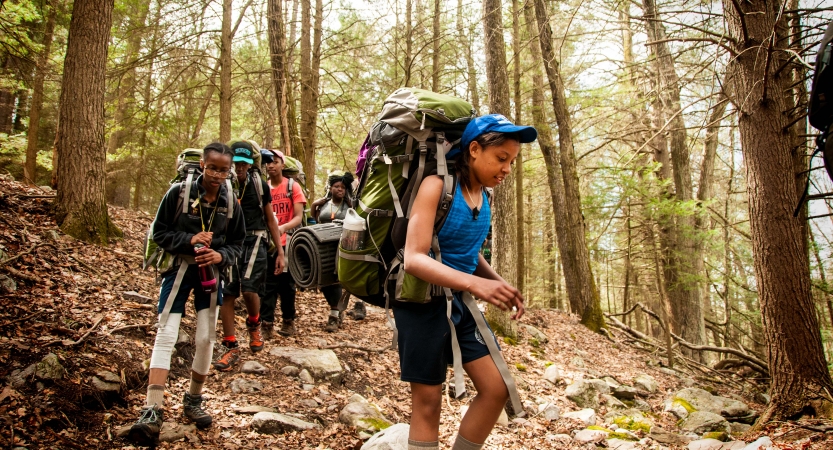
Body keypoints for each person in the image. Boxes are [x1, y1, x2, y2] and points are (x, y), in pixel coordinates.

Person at [395, 114, 536, 450]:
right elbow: (414, 258)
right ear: (474, 149)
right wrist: (476, 285)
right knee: (429, 402)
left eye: (511, 162)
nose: (506, 169)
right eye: (501, 159)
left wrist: (497, 282)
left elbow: (467, 250)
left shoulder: (482, 196)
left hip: (459, 302)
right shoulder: (437, 186)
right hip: (422, 303)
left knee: (496, 388)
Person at [129, 142, 245, 445]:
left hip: (211, 275)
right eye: (213, 167)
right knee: (166, 332)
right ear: (202, 166)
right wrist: (189, 239)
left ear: (229, 171)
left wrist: (221, 256)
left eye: (224, 169)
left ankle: (193, 400)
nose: (218, 175)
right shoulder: (178, 194)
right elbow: (160, 233)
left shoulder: (232, 201)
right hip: (179, 270)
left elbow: (239, 242)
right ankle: (151, 409)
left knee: (206, 338)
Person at [214, 142, 285, 371]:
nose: (240, 167)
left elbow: (270, 218)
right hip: (229, 243)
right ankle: (231, 345)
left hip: (256, 240)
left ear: (250, 164)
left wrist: (280, 250)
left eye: (244, 163)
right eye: (236, 163)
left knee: (249, 289)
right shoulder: (224, 185)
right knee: (228, 292)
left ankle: (254, 324)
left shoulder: (259, 185)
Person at [310, 171, 367, 331]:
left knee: (339, 278)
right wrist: (315, 204)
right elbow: (314, 218)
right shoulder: (323, 204)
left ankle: (335, 314)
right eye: (336, 186)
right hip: (325, 247)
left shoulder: (349, 205)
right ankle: (336, 309)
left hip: (343, 247)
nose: (339, 189)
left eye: (342, 187)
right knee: (326, 280)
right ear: (331, 188)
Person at [260, 149, 306, 337]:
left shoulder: (292, 187)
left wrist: (283, 227)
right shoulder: (263, 187)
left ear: (282, 165)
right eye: (268, 162)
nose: (271, 165)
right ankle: (267, 324)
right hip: (268, 243)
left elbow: (298, 217)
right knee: (268, 284)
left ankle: (288, 321)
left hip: (288, 242)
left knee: (287, 285)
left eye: (275, 161)